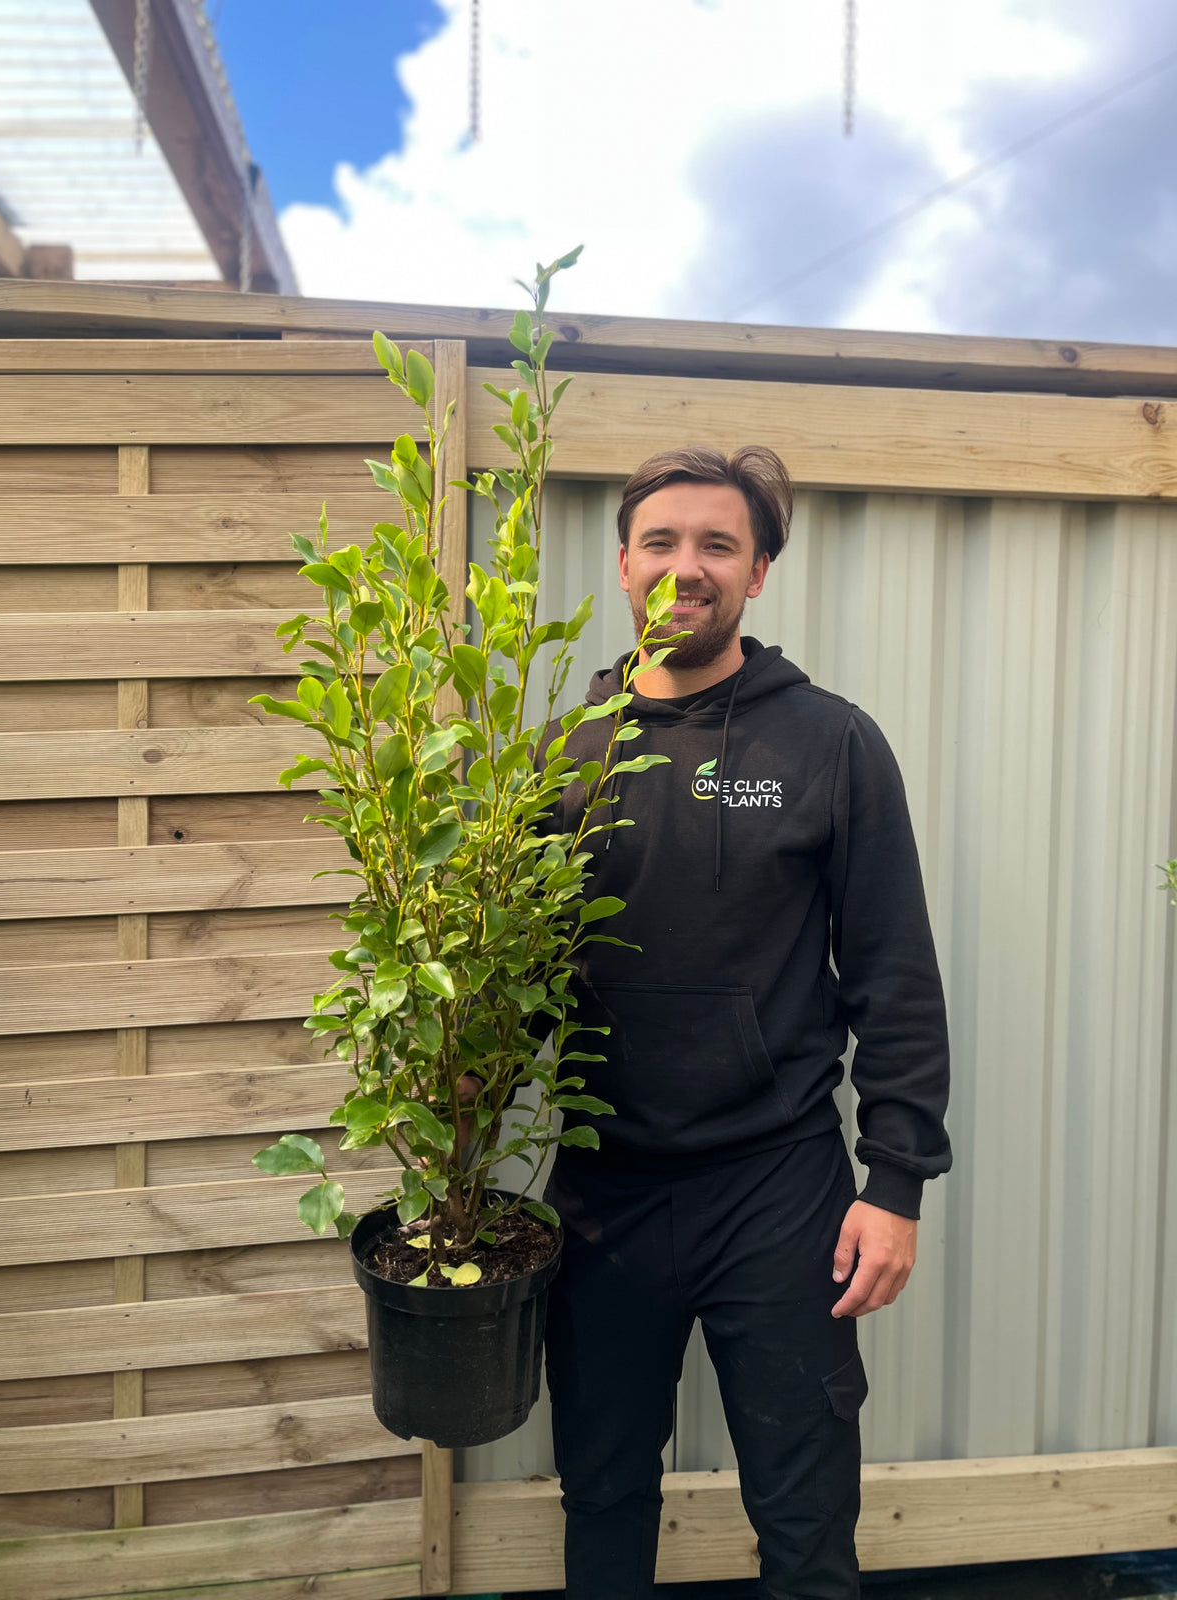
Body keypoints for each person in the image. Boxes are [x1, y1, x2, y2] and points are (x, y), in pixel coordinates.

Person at [542, 445, 952, 1600]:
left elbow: (894, 973)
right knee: (603, 1498)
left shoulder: (827, 742)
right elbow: (515, 983)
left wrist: (898, 1180)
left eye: (717, 544)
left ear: (758, 572)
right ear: (623, 564)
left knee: (805, 1516)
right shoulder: (563, 757)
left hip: (778, 1189)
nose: (687, 567)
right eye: (662, 543)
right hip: (602, 1191)